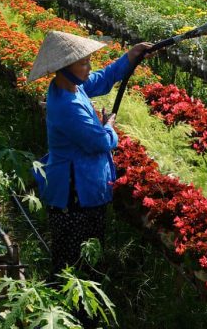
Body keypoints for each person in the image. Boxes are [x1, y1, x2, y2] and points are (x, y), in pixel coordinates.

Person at [28, 30, 153, 277]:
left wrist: (130, 57)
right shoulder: (68, 106)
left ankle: (80, 304)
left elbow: (102, 79)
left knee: (82, 255)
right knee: (75, 261)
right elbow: (99, 142)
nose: (89, 67)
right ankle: (77, 309)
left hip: (79, 186)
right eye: (83, 62)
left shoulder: (70, 87)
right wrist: (109, 127)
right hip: (75, 194)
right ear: (65, 67)